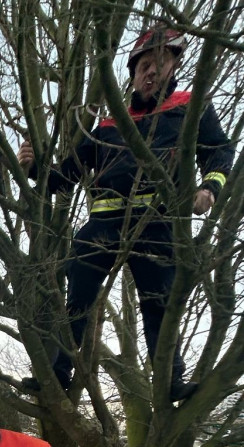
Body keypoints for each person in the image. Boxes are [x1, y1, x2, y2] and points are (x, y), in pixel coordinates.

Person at [18, 24, 235, 402]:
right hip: (103, 224)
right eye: (144, 65)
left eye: (161, 62)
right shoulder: (107, 122)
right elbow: (67, 175)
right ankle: (56, 374)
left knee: (160, 305)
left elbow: (219, 152)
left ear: (174, 67)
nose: (151, 71)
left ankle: (169, 382)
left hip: (158, 224)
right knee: (76, 298)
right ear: (133, 73)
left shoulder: (189, 106)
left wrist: (208, 189)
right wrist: (34, 168)